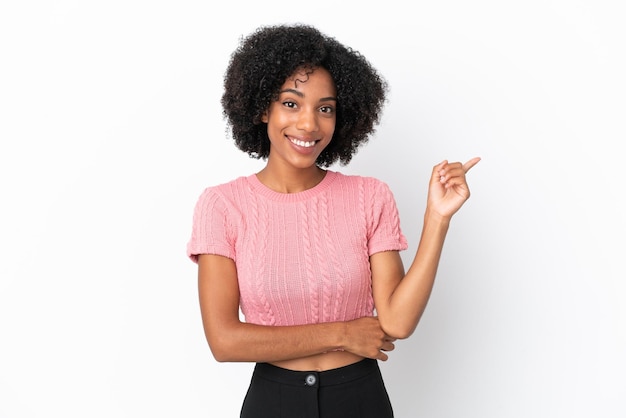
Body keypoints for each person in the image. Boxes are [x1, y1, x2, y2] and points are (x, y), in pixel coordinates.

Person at [187, 23, 480, 418]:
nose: (309, 124)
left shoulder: (369, 196)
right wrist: (341, 334)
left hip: (359, 397)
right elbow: (224, 341)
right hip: (273, 401)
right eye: (291, 103)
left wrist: (437, 218)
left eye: (325, 108)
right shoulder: (223, 206)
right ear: (261, 107)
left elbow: (396, 321)